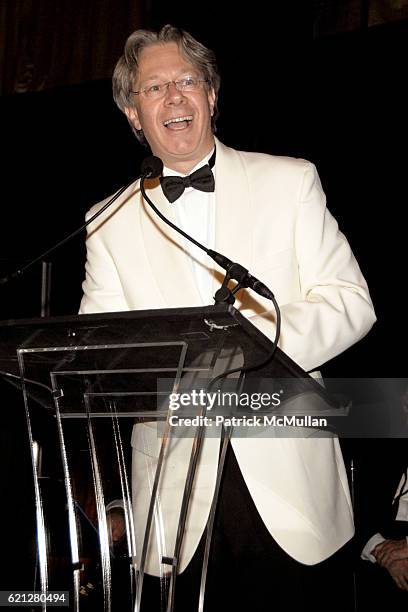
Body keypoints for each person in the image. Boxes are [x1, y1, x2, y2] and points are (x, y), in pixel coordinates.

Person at [79, 24, 376, 611]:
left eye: (187, 81)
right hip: (174, 500)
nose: (174, 96)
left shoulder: (290, 181)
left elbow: (350, 301)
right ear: (133, 114)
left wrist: (249, 346)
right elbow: (102, 356)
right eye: (154, 87)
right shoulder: (107, 219)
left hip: (290, 473)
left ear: (211, 96)